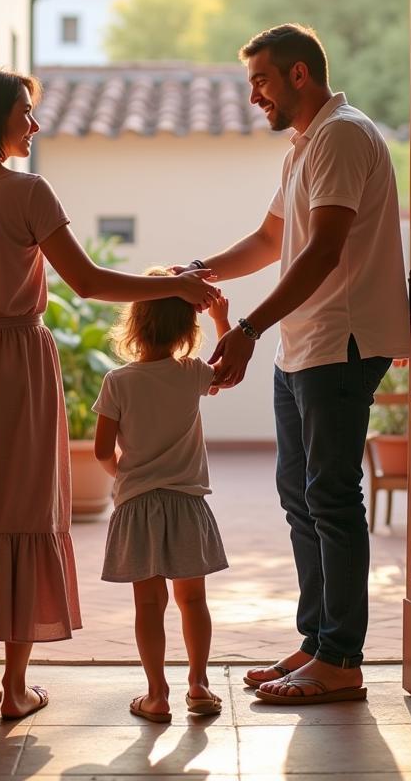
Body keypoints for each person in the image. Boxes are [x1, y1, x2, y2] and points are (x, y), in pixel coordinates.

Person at [0, 68, 217, 721]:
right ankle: (14, 687)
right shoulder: (31, 193)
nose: (33, 125)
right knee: (23, 509)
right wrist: (173, 287)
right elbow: (90, 283)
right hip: (17, 362)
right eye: (25, 113)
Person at [174, 23, 409, 705]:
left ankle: (342, 657)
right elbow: (272, 238)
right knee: (301, 495)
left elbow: (324, 251)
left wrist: (247, 326)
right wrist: (196, 272)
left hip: (341, 343)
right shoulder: (306, 146)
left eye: (262, 82)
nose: (254, 98)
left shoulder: (341, 136)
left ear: (300, 74)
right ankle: (316, 643)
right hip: (303, 345)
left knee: (331, 498)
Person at [92, 270, 230, 723]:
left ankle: (156, 694)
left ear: (134, 324)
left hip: (137, 507)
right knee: (193, 601)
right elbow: (227, 375)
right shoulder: (191, 373)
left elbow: (100, 450)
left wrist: (124, 476)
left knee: (148, 605)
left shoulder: (118, 381)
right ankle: (199, 684)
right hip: (187, 504)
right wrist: (223, 321)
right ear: (185, 330)